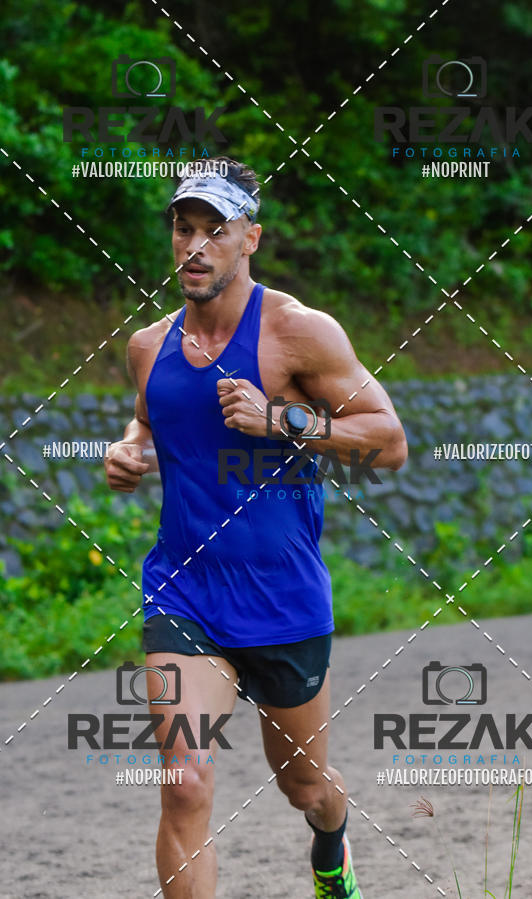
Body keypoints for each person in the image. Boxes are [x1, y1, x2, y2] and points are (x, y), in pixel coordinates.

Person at [104, 156, 408, 898]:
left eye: (216, 230)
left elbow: (389, 443)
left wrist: (282, 420)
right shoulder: (148, 345)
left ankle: (331, 844)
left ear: (251, 239)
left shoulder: (299, 332)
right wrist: (131, 449)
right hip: (185, 590)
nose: (195, 246)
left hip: (282, 597)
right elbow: (151, 420)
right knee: (184, 783)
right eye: (184, 228)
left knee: (305, 786)